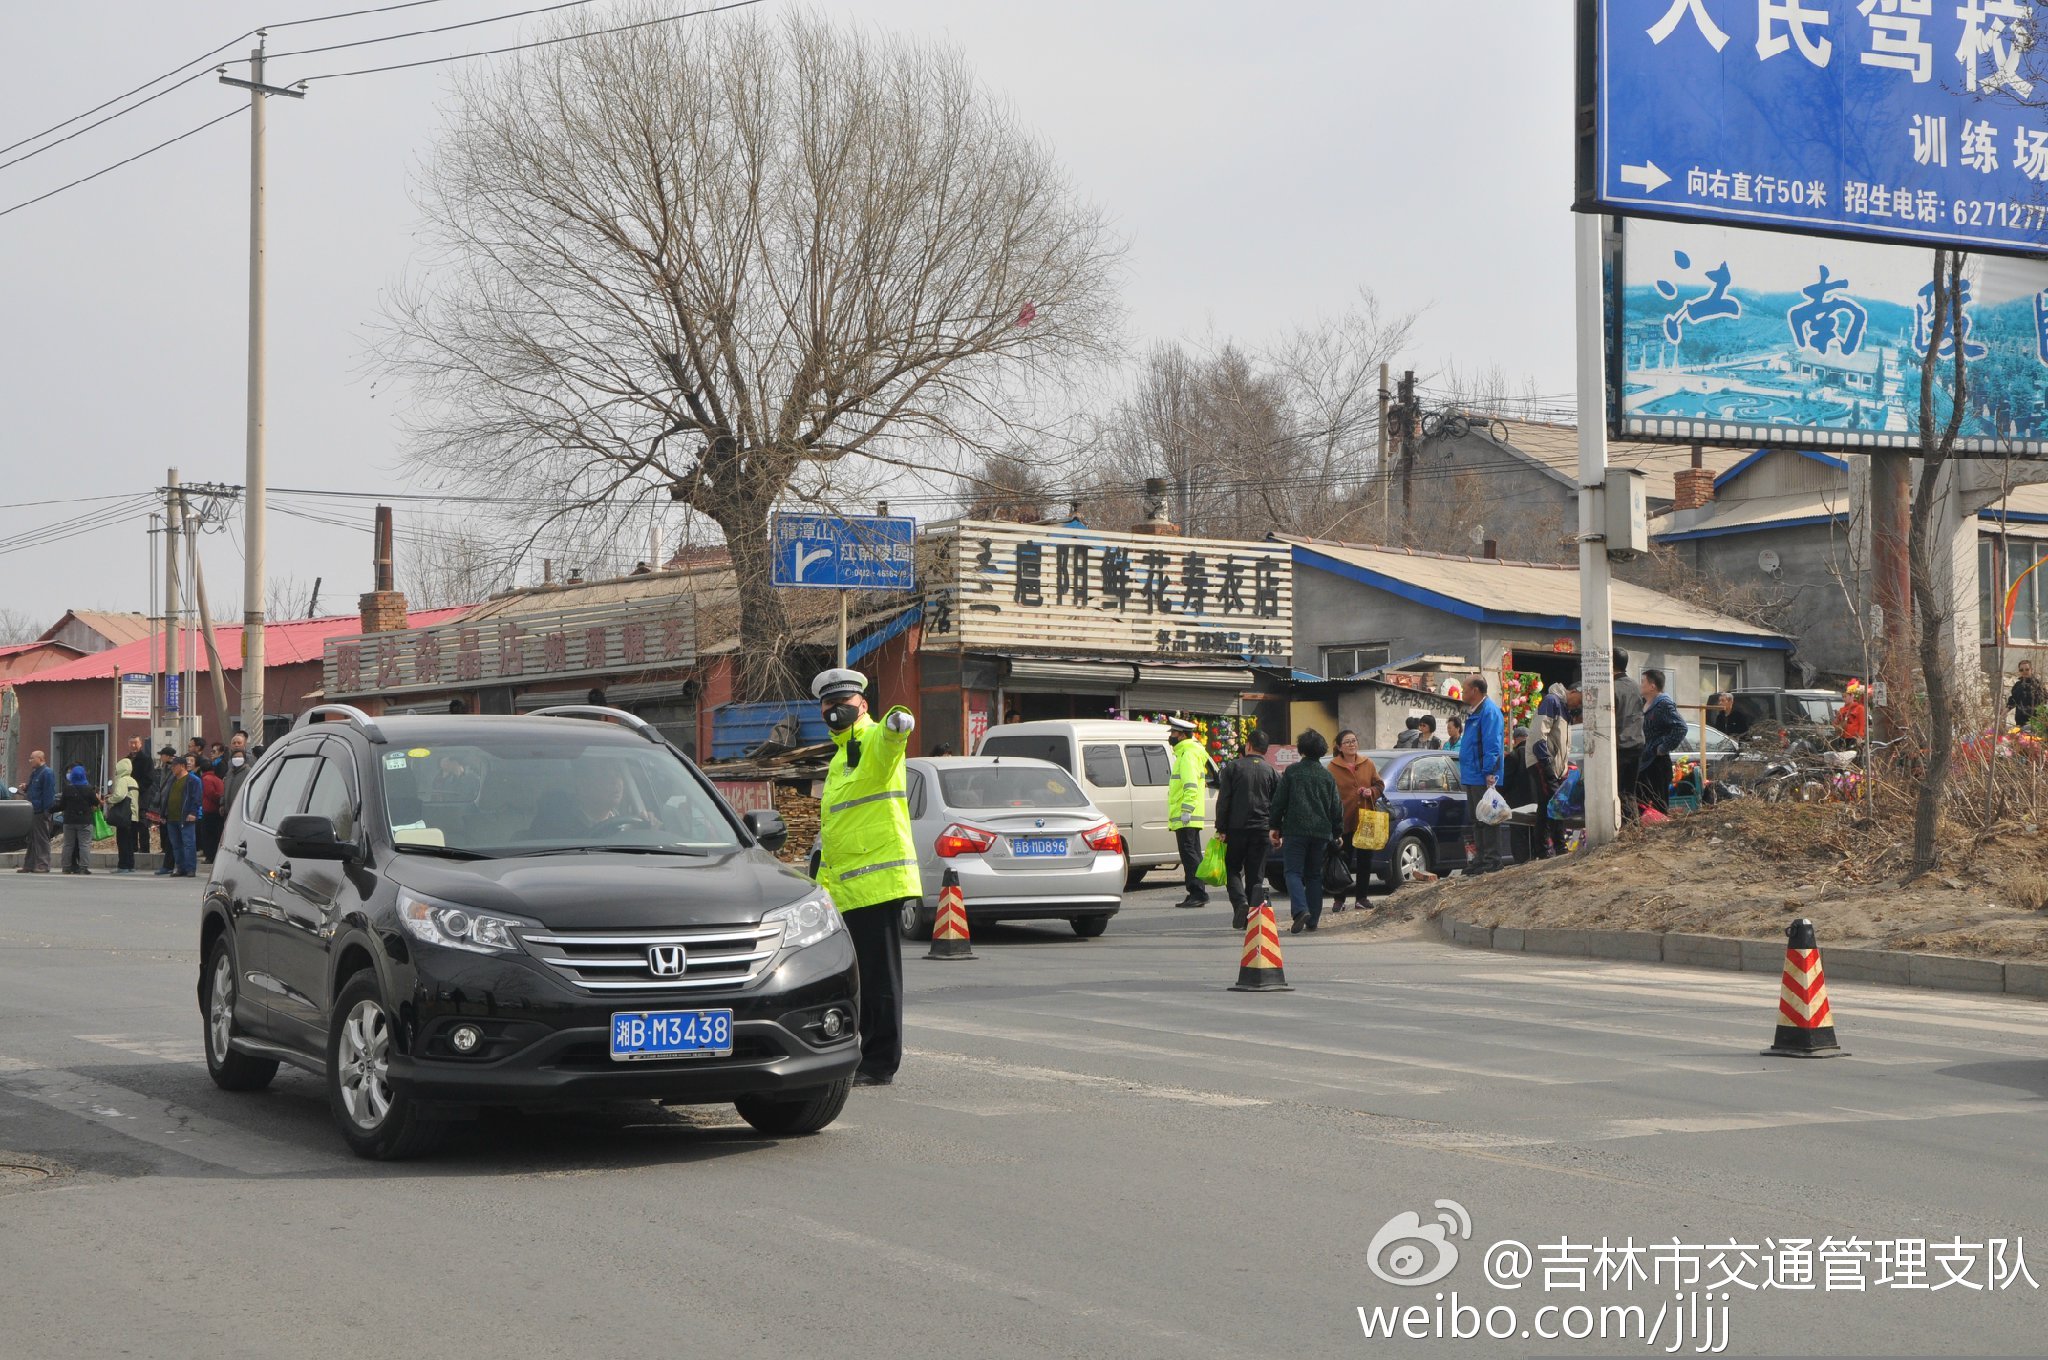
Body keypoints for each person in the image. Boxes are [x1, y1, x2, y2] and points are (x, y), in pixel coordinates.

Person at [810, 667, 919, 1087]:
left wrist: (898, 721)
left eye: (845, 704)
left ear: (863, 706)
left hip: (876, 883)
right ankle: (860, 1050)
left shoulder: (873, 740)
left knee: (880, 978)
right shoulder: (840, 756)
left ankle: (879, 1062)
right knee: (858, 977)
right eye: (829, 705)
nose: (837, 711)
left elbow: (895, 735)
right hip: (846, 887)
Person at [1267, 729, 1343, 934]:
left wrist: (1274, 826)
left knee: (1292, 872)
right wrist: (1337, 832)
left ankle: (1300, 910)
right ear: (1322, 750)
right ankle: (1313, 920)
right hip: (1321, 833)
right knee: (1314, 875)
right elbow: (1336, 807)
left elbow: (1279, 801)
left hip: (1295, 831)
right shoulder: (1327, 776)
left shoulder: (1292, 772)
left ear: (1301, 750)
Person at [1214, 728, 1278, 932]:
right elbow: (1277, 804)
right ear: (1265, 751)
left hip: (1236, 828)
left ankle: (1240, 902)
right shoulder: (1272, 772)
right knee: (1255, 874)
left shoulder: (1233, 768)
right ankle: (1253, 916)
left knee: (1232, 869)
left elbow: (1224, 800)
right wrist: (1277, 830)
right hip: (1261, 829)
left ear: (1248, 745)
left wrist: (1221, 827)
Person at [1325, 729, 1383, 913]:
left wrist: (1371, 791)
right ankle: (1339, 899)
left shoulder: (1368, 763)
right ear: (1339, 747)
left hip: (1365, 818)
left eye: (1354, 741)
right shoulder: (1332, 767)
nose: (1352, 744)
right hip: (1343, 820)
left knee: (1365, 860)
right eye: (1347, 742)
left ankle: (1362, 898)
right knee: (1343, 860)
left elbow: (1379, 784)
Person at [1459, 676, 1507, 874]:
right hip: (1471, 774)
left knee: (1488, 818)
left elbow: (1492, 746)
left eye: (1465, 689)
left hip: (1482, 775)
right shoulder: (1475, 712)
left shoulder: (1489, 712)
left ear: (1475, 690)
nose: (1462, 693)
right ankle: (1480, 858)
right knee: (1477, 818)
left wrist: (1489, 773)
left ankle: (1492, 859)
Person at [1165, 717, 1213, 910]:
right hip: (1190, 815)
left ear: (1182, 735)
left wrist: (1186, 810)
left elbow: (1190, 786)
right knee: (1191, 853)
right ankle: (1195, 891)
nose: (1171, 737)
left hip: (1187, 816)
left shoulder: (1187, 755)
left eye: (1173, 733)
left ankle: (1198, 892)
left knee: (1190, 855)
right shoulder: (1189, 753)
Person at [1527, 682, 1571, 859]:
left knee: (1548, 805)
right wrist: (1546, 763)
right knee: (1552, 802)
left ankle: (1549, 849)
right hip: (1542, 761)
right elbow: (1539, 735)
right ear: (1573, 691)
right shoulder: (1552, 701)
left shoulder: (1565, 708)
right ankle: (1553, 848)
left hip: (1554, 765)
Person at [1638, 669, 1687, 816]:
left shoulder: (1663, 704)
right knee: (1642, 803)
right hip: (1645, 760)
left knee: (1659, 805)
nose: (1640, 685)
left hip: (1657, 762)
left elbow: (1680, 727)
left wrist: (1663, 747)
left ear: (1652, 686)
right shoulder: (1644, 703)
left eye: (1643, 682)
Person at [1613, 649, 1646, 823]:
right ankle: (1634, 826)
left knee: (1618, 791)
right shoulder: (1635, 686)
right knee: (1629, 791)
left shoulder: (1611, 688)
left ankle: (1627, 827)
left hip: (1620, 745)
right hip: (1637, 744)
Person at [58, 765, 101, 874]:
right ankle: (83, 867)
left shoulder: (67, 789)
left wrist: (50, 810)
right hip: (85, 821)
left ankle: (66, 867)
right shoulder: (88, 788)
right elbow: (96, 802)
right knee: (84, 845)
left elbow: (62, 805)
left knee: (68, 844)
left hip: (69, 821)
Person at [18, 750, 56, 874]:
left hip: (41, 811)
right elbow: (34, 788)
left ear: (40, 759)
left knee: (41, 839)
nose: (30, 761)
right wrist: (26, 787)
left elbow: (48, 793)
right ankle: (29, 864)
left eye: (32, 758)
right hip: (32, 810)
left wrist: (47, 810)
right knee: (32, 839)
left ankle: (43, 864)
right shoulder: (35, 773)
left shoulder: (47, 773)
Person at [164, 755, 202, 878]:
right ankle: (180, 867)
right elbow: (165, 797)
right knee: (176, 844)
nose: (172, 768)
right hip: (172, 817)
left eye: (174, 766)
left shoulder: (193, 780)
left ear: (182, 766)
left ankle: (190, 868)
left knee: (188, 843)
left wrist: (193, 813)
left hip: (186, 817)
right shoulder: (172, 780)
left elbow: (196, 798)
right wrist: (163, 813)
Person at [108, 756, 141, 874]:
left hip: (124, 816)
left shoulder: (122, 780)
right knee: (130, 843)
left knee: (122, 842)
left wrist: (109, 800)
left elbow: (119, 795)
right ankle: (130, 865)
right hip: (134, 815)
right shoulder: (133, 781)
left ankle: (123, 866)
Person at [148, 746, 177, 875]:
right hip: (164, 805)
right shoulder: (163, 768)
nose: (161, 757)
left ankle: (170, 864)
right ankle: (167, 858)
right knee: (165, 832)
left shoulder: (174, 769)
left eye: (162, 755)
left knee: (172, 837)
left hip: (171, 806)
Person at [199, 760, 227, 863]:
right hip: (217, 811)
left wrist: (219, 800)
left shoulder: (206, 779)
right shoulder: (218, 779)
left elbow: (210, 793)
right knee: (216, 835)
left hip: (209, 810)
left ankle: (210, 856)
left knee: (208, 835)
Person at [2010, 662, 2045, 731]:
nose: (2024, 672)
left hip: (2035, 723)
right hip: (2020, 723)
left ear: (2031, 670)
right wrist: (2001, 716)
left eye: (2027, 669)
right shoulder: (2017, 685)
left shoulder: (2038, 685)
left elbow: (2045, 702)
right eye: (2021, 670)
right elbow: (2011, 702)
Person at [1835, 680, 1869, 746]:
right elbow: (1836, 723)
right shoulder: (1842, 710)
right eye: (1843, 697)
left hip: (1854, 739)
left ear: (1852, 696)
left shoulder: (1860, 708)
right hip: (1843, 738)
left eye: (1845, 696)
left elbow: (1862, 724)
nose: (1844, 699)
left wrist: (1860, 737)